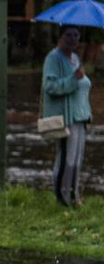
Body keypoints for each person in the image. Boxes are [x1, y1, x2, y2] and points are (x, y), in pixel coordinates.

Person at [42, 25, 92, 208]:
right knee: (66, 159)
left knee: (77, 159)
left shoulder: (75, 58)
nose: (73, 39)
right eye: (69, 35)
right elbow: (50, 86)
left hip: (81, 117)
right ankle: (62, 199)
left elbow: (81, 84)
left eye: (76, 35)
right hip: (66, 117)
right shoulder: (53, 58)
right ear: (60, 36)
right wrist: (74, 79)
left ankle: (74, 195)